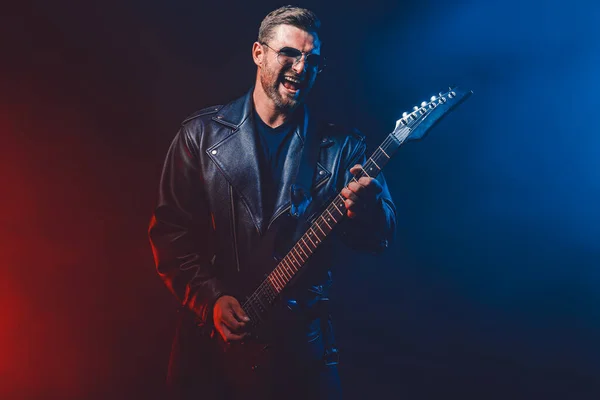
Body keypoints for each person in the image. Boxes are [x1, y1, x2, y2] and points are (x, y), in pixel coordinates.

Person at [148, 6, 396, 400]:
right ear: (258, 53)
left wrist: (367, 210)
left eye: (312, 60)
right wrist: (210, 298)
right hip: (212, 351)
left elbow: (378, 238)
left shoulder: (345, 149)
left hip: (301, 352)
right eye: (289, 54)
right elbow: (171, 236)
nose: (301, 68)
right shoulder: (199, 136)